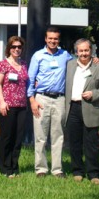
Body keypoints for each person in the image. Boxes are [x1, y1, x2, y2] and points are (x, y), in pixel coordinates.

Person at [27, 26, 73, 178]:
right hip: (41, 98)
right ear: (46, 39)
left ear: (59, 40)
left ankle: (57, 169)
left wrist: (95, 59)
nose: (53, 41)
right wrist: (32, 100)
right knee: (40, 136)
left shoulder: (65, 55)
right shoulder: (38, 56)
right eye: (50, 38)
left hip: (60, 99)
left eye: (56, 39)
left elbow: (79, 64)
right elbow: (30, 79)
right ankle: (41, 168)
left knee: (58, 136)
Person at [65, 38, 99, 185]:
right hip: (73, 107)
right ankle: (77, 171)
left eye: (86, 50)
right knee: (75, 142)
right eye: (81, 50)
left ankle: (93, 173)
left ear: (91, 51)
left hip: (91, 107)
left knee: (91, 143)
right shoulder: (70, 65)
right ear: (76, 52)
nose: (84, 53)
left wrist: (94, 94)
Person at [0, 36, 29, 178]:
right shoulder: (3, 64)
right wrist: (2, 102)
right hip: (7, 106)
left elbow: (27, 82)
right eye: (14, 47)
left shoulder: (24, 64)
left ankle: (14, 166)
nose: (16, 49)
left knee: (18, 138)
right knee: (7, 137)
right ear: (9, 48)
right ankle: (5, 168)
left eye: (19, 47)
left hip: (21, 106)